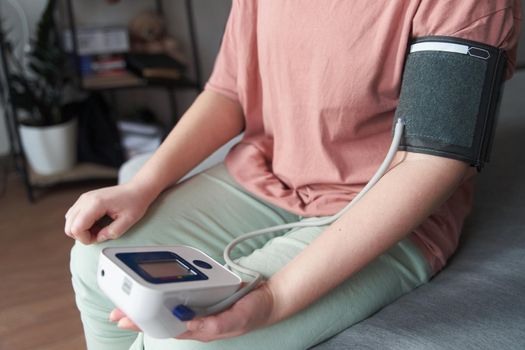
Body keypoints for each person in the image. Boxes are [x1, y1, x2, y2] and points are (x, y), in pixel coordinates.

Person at [65, 1, 521, 349]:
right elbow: (229, 91)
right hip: (261, 177)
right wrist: (143, 185)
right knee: (96, 258)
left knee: (182, 341)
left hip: (380, 207)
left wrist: (275, 299)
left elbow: (432, 160)